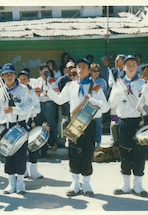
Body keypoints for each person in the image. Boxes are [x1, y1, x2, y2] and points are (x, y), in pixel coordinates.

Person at [45, 58, 110, 197]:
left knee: (87, 152)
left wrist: (94, 101)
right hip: (74, 122)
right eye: (79, 67)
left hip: (90, 123)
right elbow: (60, 99)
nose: (80, 69)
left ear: (89, 70)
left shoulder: (96, 87)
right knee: (73, 152)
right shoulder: (70, 85)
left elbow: (105, 107)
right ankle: (74, 183)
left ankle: (86, 183)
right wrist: (47, 90)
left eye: (84, 67)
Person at [109, 55, 148, 197]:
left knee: (139, 153)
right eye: (128, 64)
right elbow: (111, 105)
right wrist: (116, 94)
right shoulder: (118, 84)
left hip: (138, 122)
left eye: (133, 64)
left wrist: (147, 93)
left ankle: (138, 185)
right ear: (123, 67)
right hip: (123, 122)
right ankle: (125, 185)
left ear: (137, 67)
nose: (130, 67)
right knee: (124, 153)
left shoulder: (143, 84)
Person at [0, 63, 32, 194]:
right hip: (5, 126)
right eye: (6, 75)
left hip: (20, 125)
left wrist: (13, 110)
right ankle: (11, 183)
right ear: (2, 76)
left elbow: (28, 109)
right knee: (8, 155)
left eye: (11, 74)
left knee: (20, 155)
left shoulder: (23, 90)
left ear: (15, 75)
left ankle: (20, 182)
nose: (9, 77)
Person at [18, 70, 43, 179]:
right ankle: (23, 170)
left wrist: (31, 111)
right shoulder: (16, 92)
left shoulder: (32, 92)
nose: (22, 80)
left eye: (25, 78)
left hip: (32, 120)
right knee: (21, 146)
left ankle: (34, 170)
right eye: (20, 79)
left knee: (33, 145)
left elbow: (37, 107)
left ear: (28, 80)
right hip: (20, 121)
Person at [32, 63, 60, 156]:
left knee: (51, 123)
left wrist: (44, 91)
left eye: (46, 70)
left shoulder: (52, 80)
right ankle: (39, 145)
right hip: (39, 104)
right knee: (39, 125)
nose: (45, 72)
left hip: (48, 104)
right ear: (40, 71)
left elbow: (57, 93)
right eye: (43, 70)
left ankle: (54, 143)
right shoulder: (36, 81)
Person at [90, 63, 108, 148]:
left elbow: (104, 94)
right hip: (88, 107)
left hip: (98, 107)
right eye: (94, 71)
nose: (96, 73)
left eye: (98, 71)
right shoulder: (88, 81)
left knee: (98, 125)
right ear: (90, 71)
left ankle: (98, 143)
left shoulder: (102, 81)